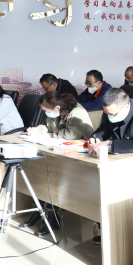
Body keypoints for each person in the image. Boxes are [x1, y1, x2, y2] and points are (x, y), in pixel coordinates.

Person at [23, 90, 95, 236]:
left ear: (57, 108)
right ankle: (39, 211)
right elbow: (46, 125)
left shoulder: (77, 112)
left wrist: (56, 132)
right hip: (60, 150)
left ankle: (52, 216)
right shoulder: (54, 109)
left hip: (81, 155)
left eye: (47, 111)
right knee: (40, 172)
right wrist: (37, 130)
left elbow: (70, 135)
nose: (46, 113)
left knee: (52, 175)